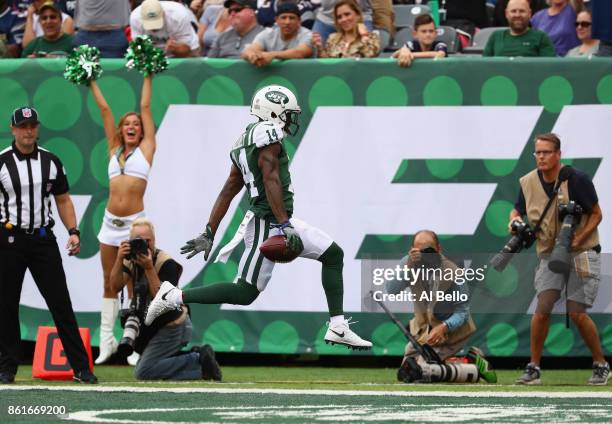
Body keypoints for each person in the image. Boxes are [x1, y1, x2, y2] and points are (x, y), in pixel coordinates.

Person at [145, 85, 372, 351]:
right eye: (287, 113)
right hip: (268, 222)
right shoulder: (268, 133)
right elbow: (270, 178)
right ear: (274, 112)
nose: (290, 119)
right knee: (245, 292)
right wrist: (283, 224)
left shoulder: (244, 138)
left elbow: (230, 187)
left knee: (333, 254)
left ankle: (338, 326)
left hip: (277, 219)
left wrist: (210, 230)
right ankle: (173, 295)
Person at [0, 107, 97, 384]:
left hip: (43, 239)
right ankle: (6, 368)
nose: (28, 130)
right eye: (23, 126)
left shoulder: (51, 161)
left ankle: (81, 368)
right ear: (13, 129)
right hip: (9, 239)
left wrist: (74, 231)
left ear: (37, 128)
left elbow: (63, 199)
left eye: (32, 125)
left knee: (60, 302)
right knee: (6, 304)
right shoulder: (2, 163)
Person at [509, 133, 608, 385]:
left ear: (558, 154)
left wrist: (579, 237)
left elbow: (597, 214)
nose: (541, 157)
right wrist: (514, 221)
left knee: (577, 313)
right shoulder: (528, 181)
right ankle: (534, 368)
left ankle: (600, 364)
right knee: (542, 308)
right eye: (537, 153)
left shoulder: (577, 179)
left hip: (581, 251)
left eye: (546, 152)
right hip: (547, 253)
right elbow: (517, 208)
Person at [88, 75, 156, 365]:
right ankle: (107, 343)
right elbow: (104, 110)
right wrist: (90, 80)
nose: (132, 126)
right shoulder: (114, 149)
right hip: (109, 224)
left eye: (136, 124)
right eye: (127, 124)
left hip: (133, 226)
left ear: (142, 131)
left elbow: (145, 105)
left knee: (134, 284)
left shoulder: (147, 149)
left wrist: (148, 74)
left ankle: (132, 344)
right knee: (109, 282)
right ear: (120, 130)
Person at [109, 218, 222, 381]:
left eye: (147, 241)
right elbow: (114, 286)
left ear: (154, 240)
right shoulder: (130, 259)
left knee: (144, 372)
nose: (143, 245)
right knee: (148, 367)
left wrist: (148, 268)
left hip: (175, 325)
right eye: (137, 241)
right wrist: (119, 259)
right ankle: (197, 357)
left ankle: (199, 361)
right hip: (155, 326)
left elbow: (165, 300)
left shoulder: (166, 262)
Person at [384, 230, 496, 384]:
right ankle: (465, 358)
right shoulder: (407, 263)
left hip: (452, 332)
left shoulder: (453, 271)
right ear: (411, 250)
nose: (423, 255)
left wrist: (444, 327)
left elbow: (462, 313)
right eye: (418, 251)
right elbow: (391, 289)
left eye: (428, 250)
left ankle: (472, 360)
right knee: (408, 371)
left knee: (425, 372)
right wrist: (408, 266)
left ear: (438, 249)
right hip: (424, 331)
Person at [242, 1, 313, 66]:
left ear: (299, 21)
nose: (287, 22)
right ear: (276, 20)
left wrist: (272, 55)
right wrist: (252, 55)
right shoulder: (268, 33)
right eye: (283, 18)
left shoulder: (307, 34)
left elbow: (300, 53)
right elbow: (248, 51)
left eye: (292, 18)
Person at [483, 0, 556, 57]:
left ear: (529, 14)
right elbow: (484, 65)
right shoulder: (496, 36)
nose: (517, 15)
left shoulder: (541, 37)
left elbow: (549, 67)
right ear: (506, 14)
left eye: (522, 11)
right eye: (513, 11)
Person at [131, 0, 201, 57]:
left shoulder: (178, 16)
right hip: (153, 55)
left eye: (156, 22)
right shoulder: (135, 18)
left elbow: (188, 50)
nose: (154, 28)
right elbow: (138, 49)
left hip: (185, 49)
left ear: (164, 14)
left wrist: (175, 49)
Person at [312, 0, 379, 58]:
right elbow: (328, 63)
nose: (343, 19)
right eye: (339, 17)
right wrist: (320, 47)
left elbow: (370, 57)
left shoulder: (372, 37)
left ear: (358, 15)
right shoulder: (332, 39)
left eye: (347, 14)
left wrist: (364, 36)